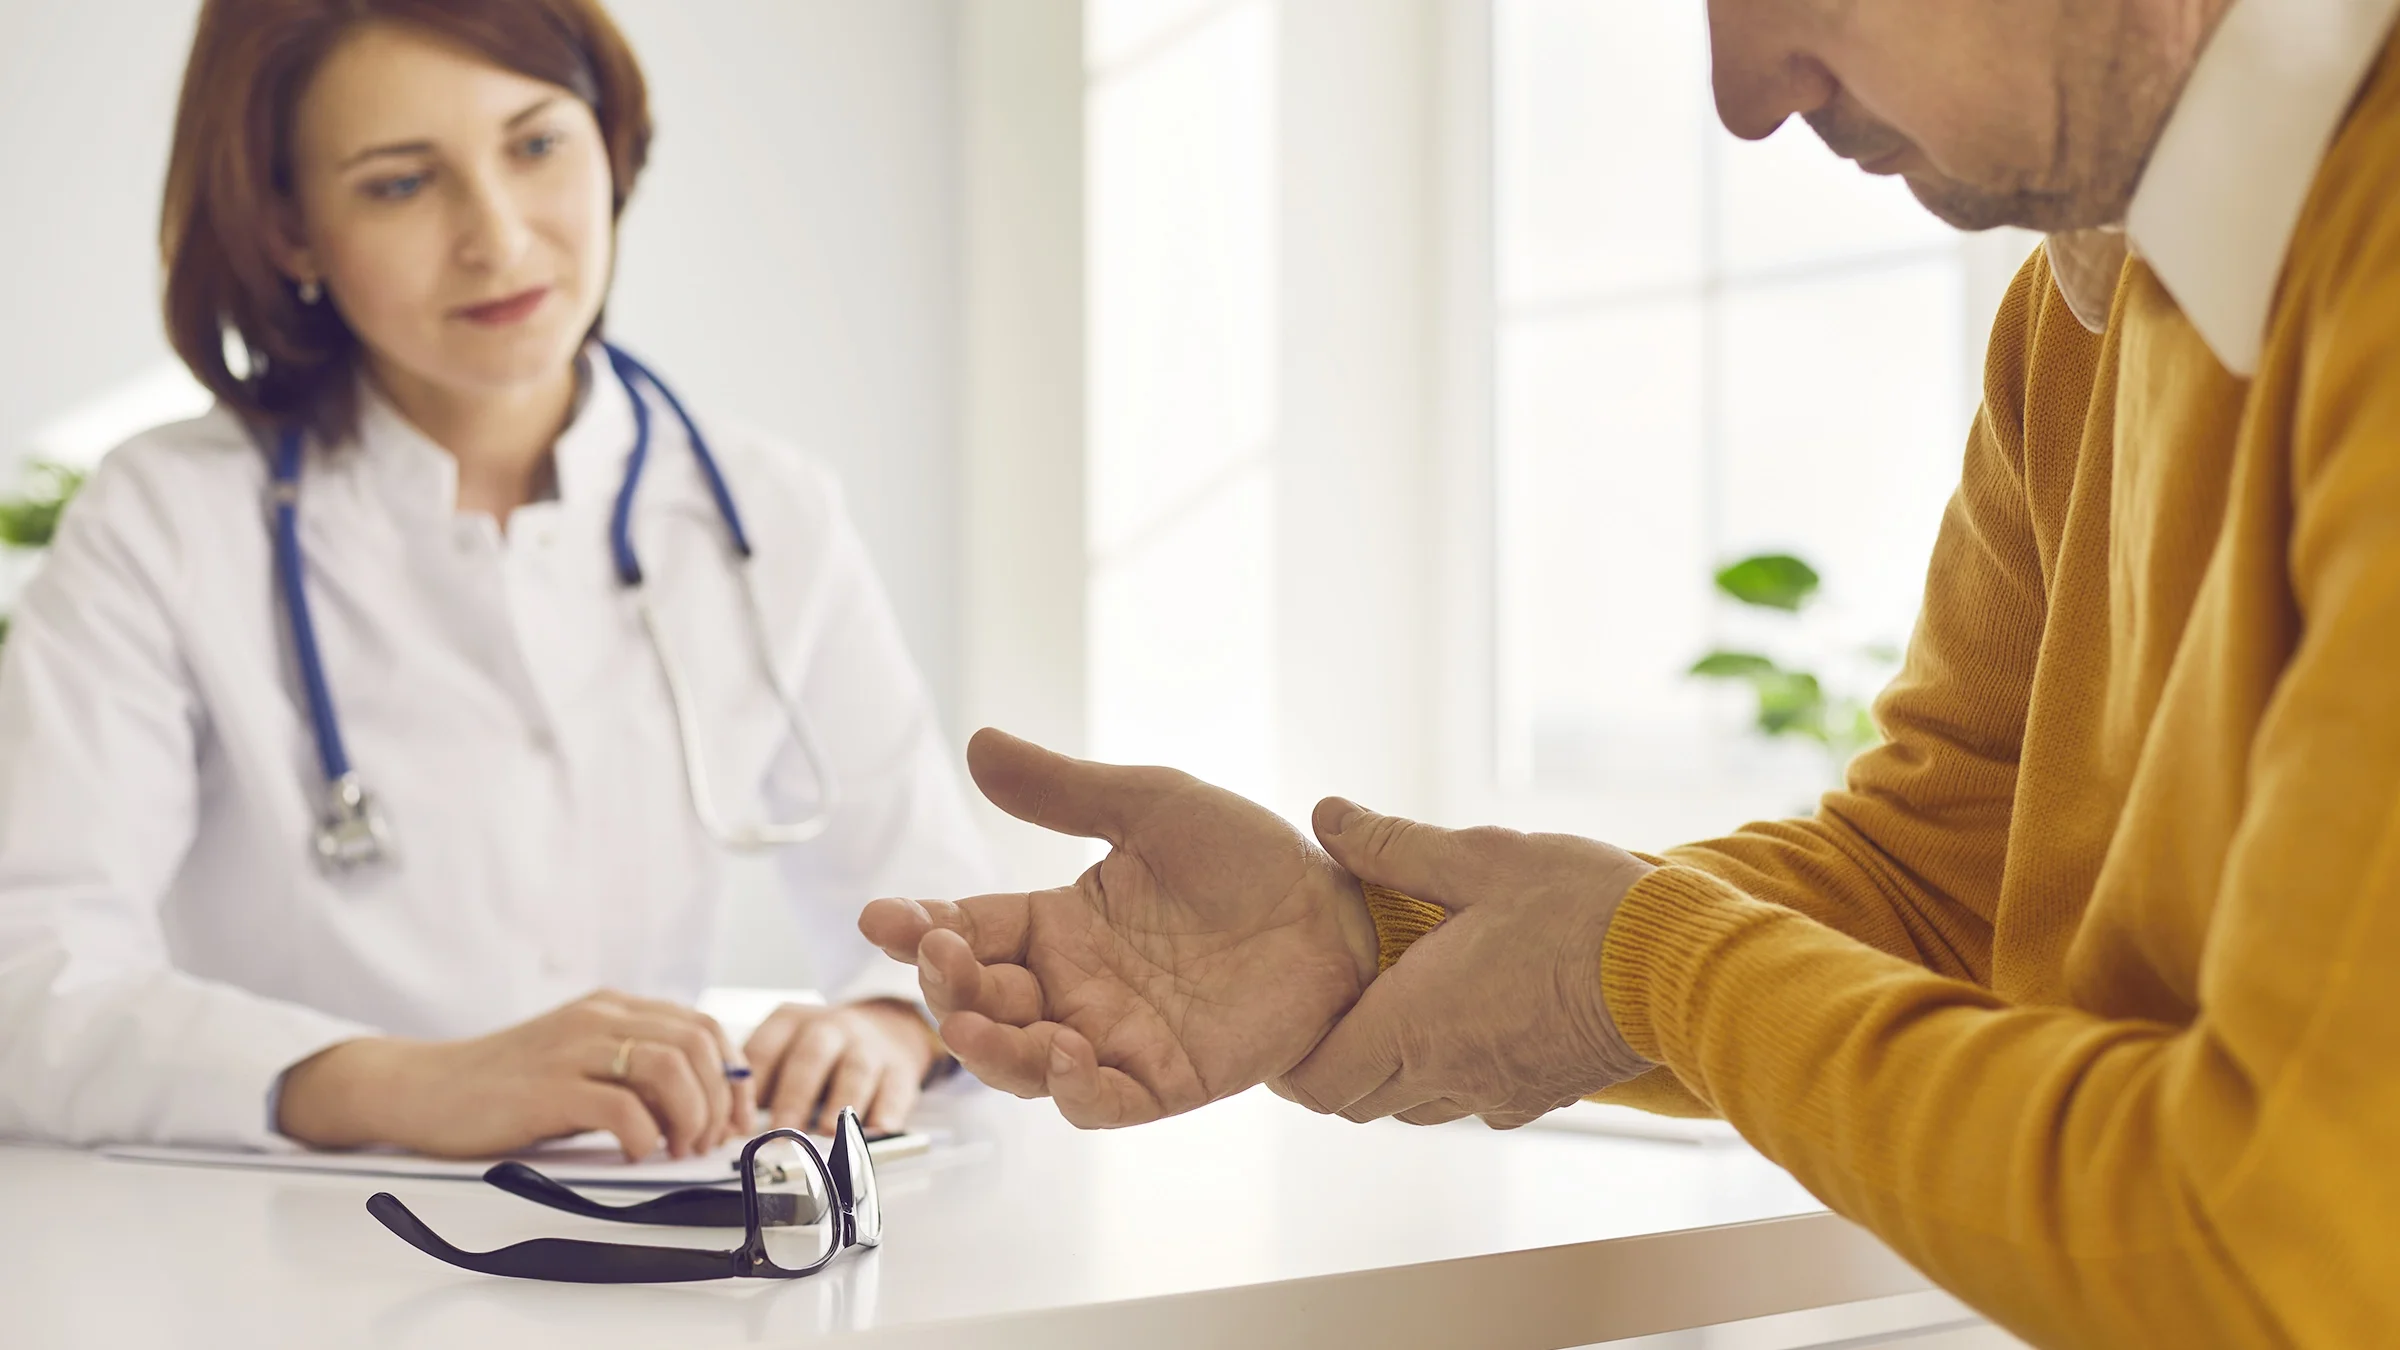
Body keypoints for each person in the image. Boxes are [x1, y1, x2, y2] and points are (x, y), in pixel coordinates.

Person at [858, 0, 2400, 1344]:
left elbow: (2282, 1241)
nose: (1743, 91)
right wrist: (1367, 940)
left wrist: (1649, 963)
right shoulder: (2090, 304)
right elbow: (1946, 893)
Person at [0, 0, 989, 1160]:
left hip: (660, 1235)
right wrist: (406, 1087)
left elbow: (931, 916)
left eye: (534, 145)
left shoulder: (765, 510)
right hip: (273, 1252)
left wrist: (882, 1023)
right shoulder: (164, 521)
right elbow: (31, 985)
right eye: (399, 183)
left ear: (610, 141)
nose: (500, 238)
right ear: (287, 230)